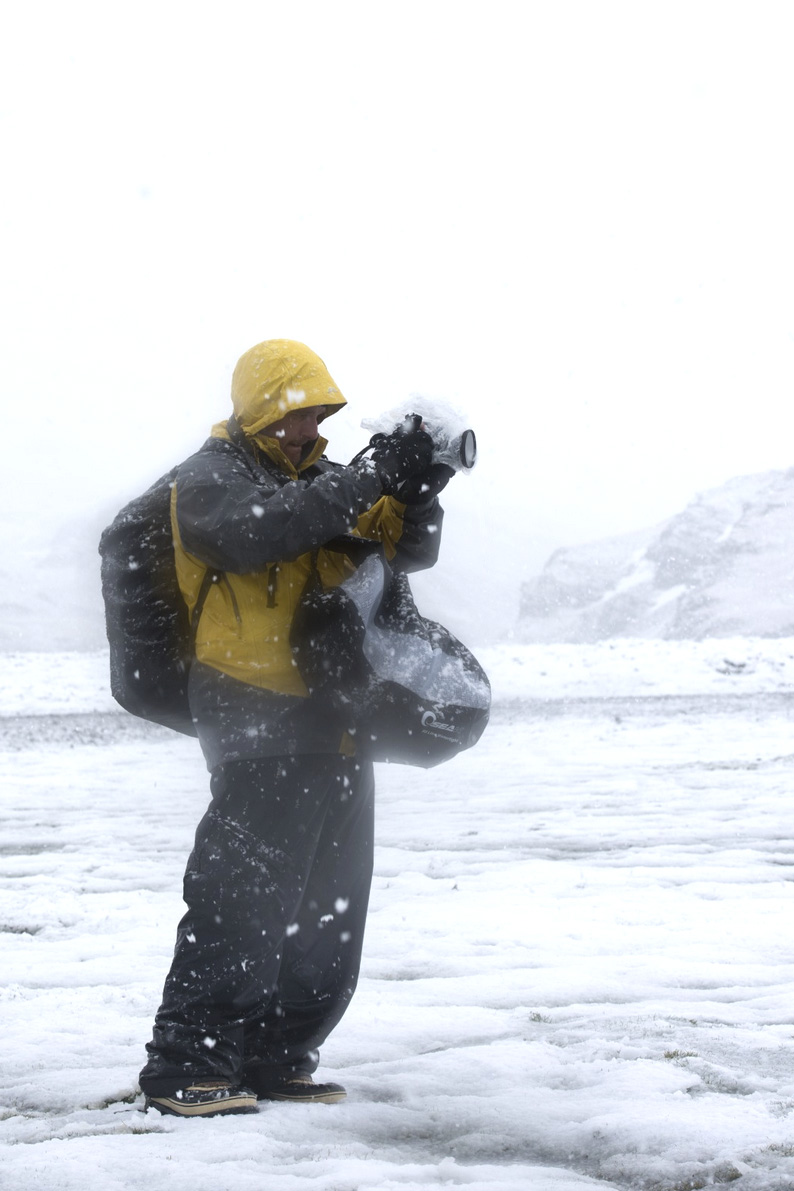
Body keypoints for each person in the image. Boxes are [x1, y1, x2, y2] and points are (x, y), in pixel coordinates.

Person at [139, 339, 450, 1117]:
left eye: (317, 415)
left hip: (339, 721)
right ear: (259, 406)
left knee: (329, 909)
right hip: (253, 718)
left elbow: (404, 549)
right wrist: (363, 478)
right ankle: (189, 1063)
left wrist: (418, 492)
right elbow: (252, 532)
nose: (307, 428)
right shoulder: (210, 479)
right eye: (294, 413)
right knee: (239, 899)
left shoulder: (324, 484)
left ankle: (278, 1054)